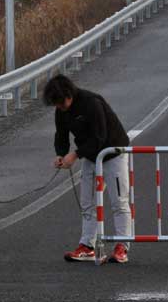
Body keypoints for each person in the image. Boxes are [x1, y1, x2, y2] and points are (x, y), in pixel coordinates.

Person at [43, 74, 132, 264]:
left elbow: (99, 137)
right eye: (55, 104)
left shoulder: (91, 102)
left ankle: (122, 246)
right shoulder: (61, 111)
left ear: (69, 94)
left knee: (119, 201)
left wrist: (75, 155)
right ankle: (87, 246)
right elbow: (61, 135)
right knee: (87, 203)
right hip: (90, 155)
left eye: (61, 102)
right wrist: (61, 154)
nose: (59, 107)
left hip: (112, 152)